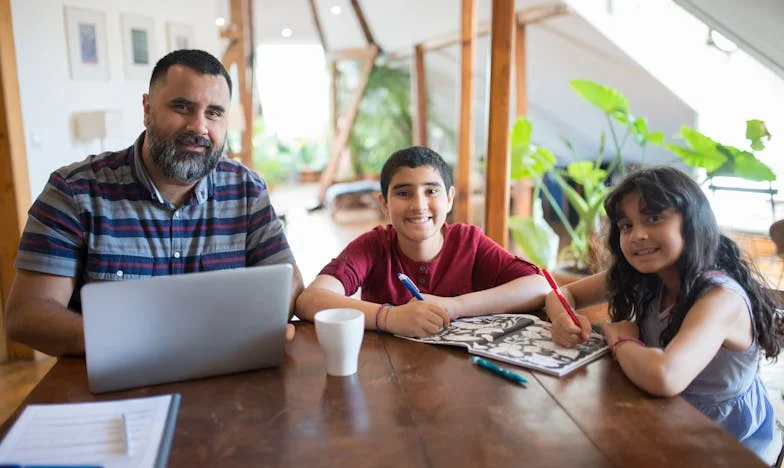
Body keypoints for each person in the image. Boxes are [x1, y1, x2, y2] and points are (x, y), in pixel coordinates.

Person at [5, 49, 303, 356]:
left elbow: (288, 280)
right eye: (182, 107)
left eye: (214, 113)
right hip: (112, 383)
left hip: (224, 373)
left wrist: (242, 329)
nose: (199, 127)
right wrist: (154, 342)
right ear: (147, 109)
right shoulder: (74, 192)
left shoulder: (247, 191)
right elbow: (27, 314)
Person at [546, 166, 781, 461]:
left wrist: (621, 340)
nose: (637, 235)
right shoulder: (647, 275)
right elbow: (560, 293)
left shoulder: (721, 298)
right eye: (627, 225)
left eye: (654, 218)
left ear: (693, 224)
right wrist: (563, 317)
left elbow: (665, 376)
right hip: (659, 415)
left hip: (723, 443)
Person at [295, 146, 550, 337]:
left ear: (449, 199)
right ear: (384, 203)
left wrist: (454, 306)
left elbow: (538, 286)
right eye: (404, 193)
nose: (418, 205)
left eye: (431, 191)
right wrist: (388, 317)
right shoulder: (374, 246)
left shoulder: (468, 242)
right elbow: (310, 300)